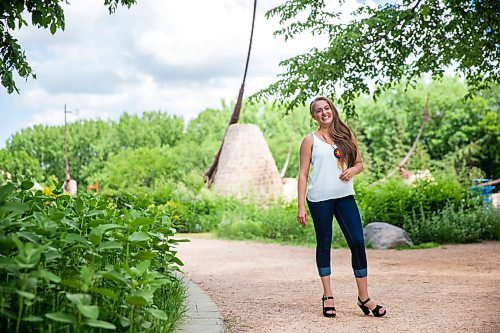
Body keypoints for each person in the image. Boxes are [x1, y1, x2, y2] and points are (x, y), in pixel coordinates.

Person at [297, 96, 386, 318]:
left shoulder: (347, 135)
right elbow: (302, 174)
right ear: (313, 116)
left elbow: (359, 163)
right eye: (318, 110)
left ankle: (364, 298)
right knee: (324, 243)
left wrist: (353, 171)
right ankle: (328, 295)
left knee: (357, 242)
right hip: (319, 200)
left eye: (327, 108)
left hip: (345, 197)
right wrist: (300, 206)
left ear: (333, 110)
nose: (324, 112)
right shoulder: (310, 140)